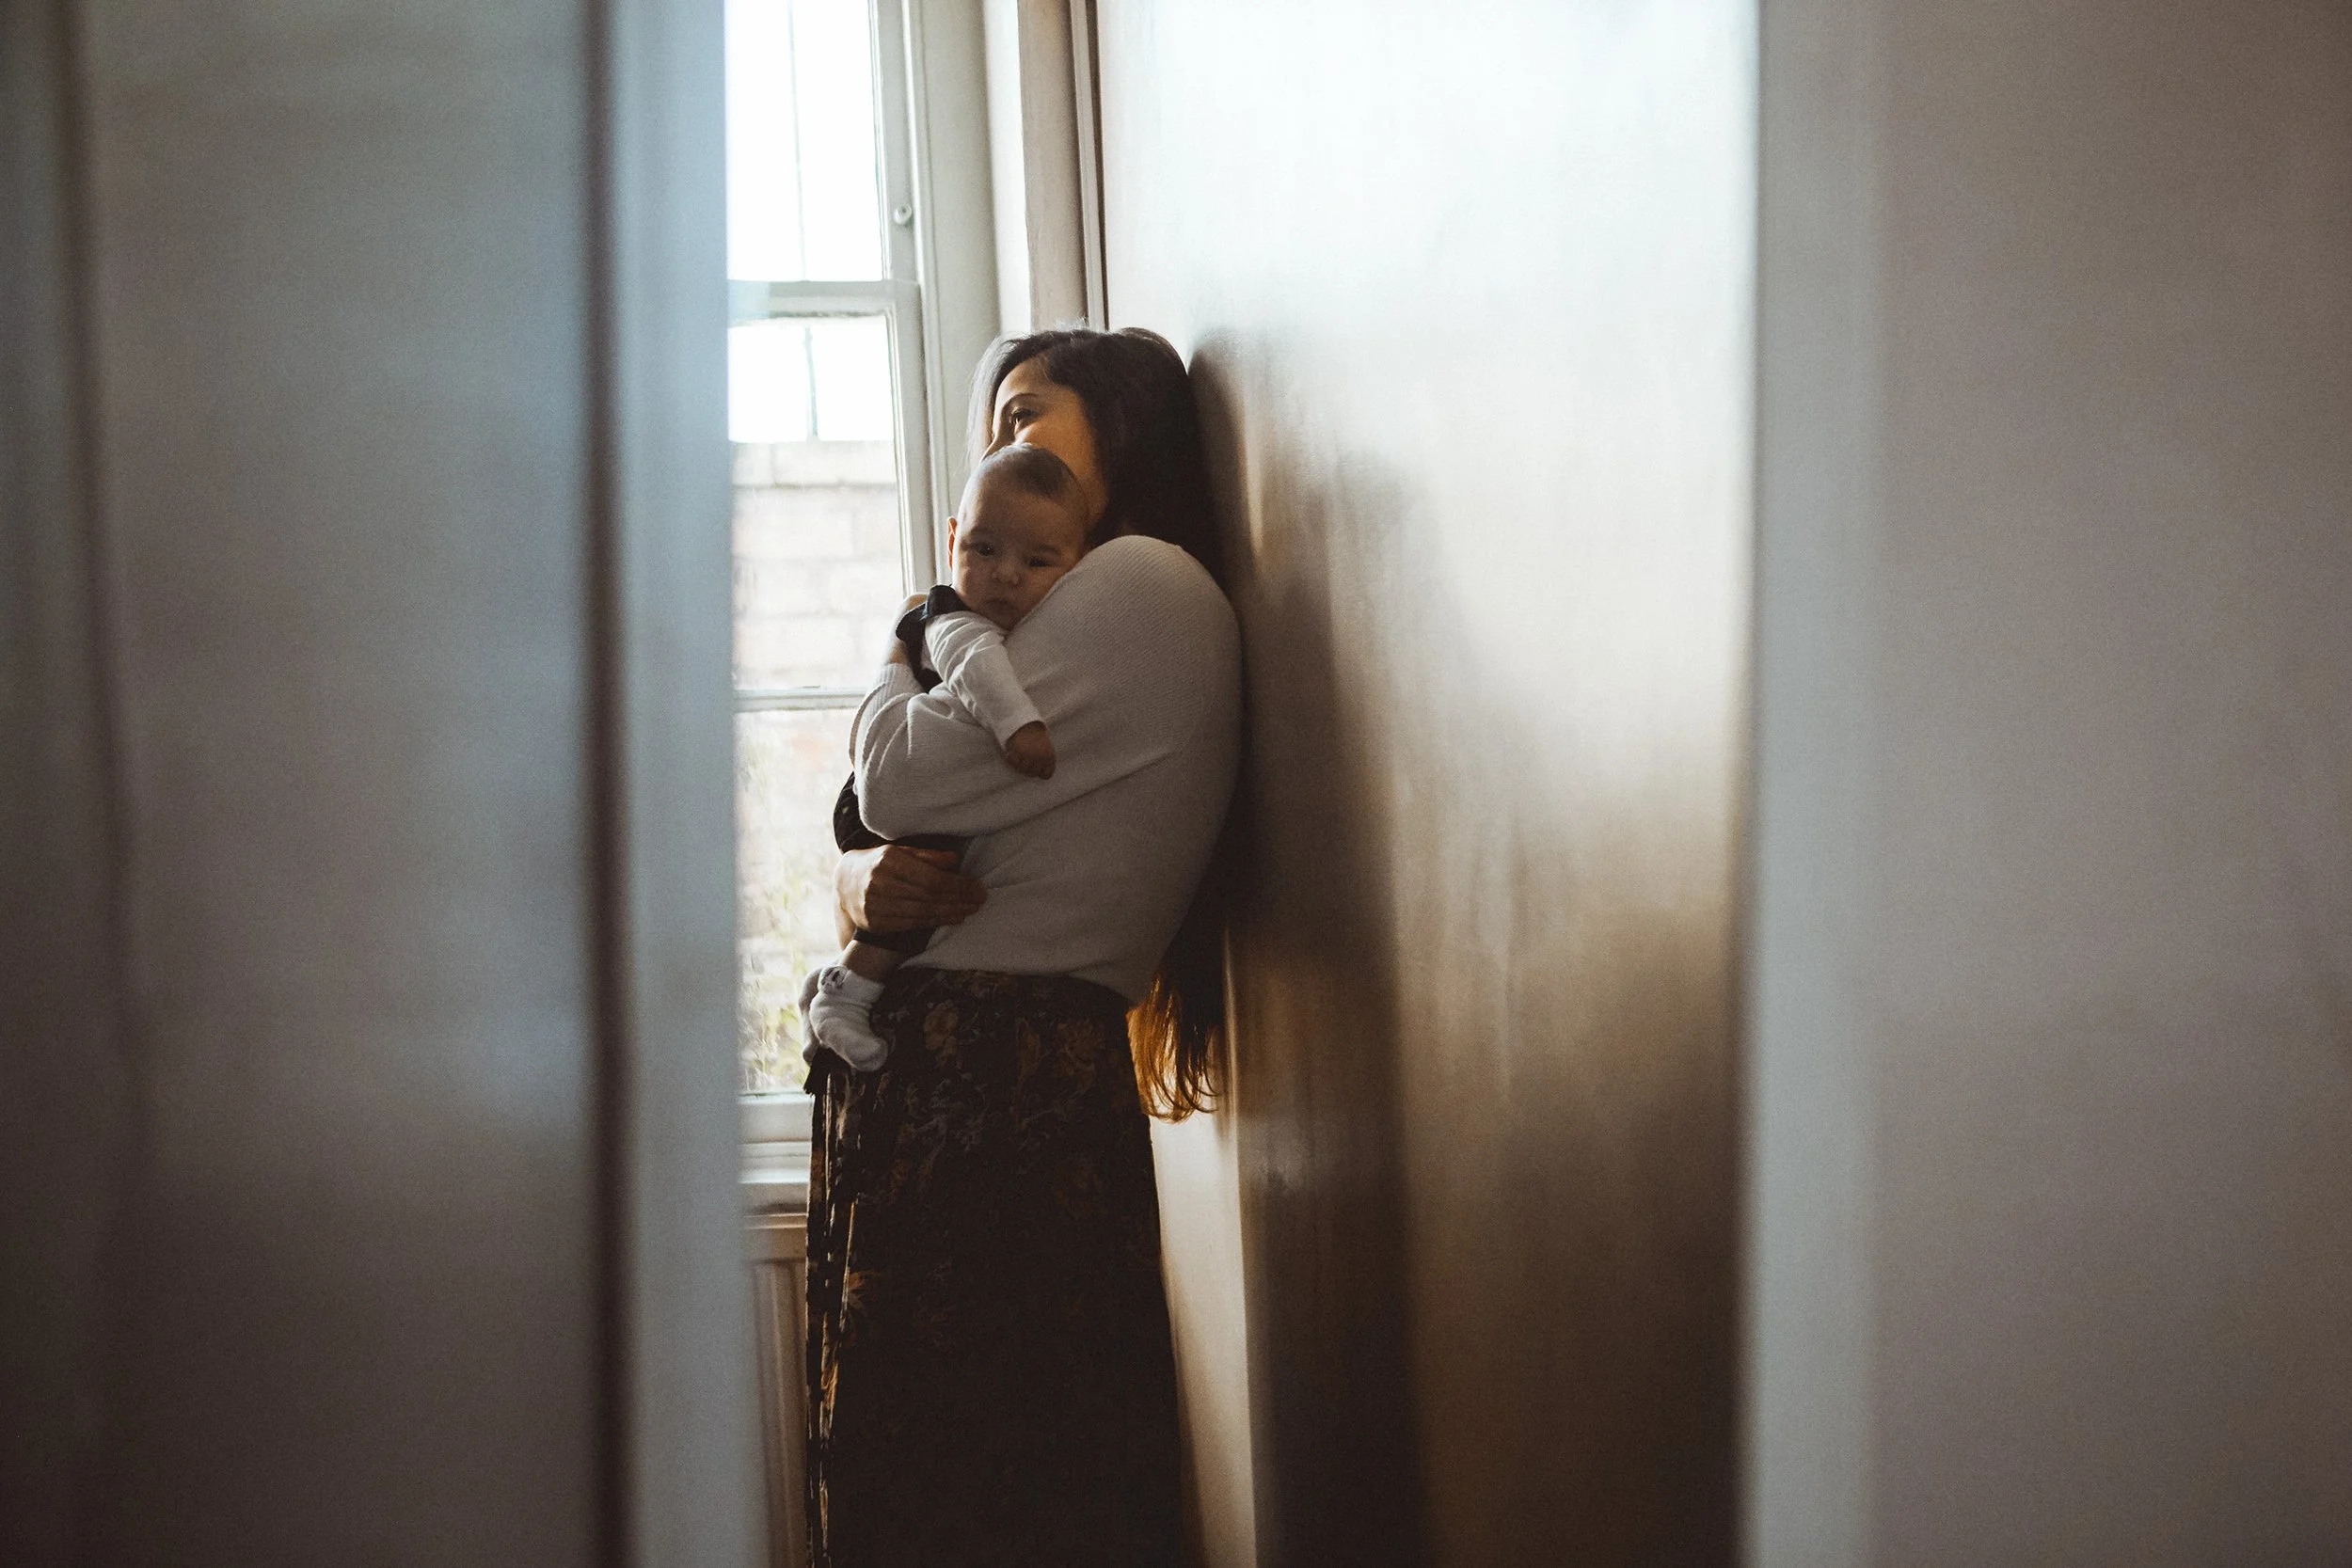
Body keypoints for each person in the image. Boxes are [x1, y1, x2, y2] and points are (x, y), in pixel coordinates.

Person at [805, 326, 1239, 1568]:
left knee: (979, 1477)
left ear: (1124, 434)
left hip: (993, 1084)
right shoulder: (1071, 607)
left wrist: (904, 641)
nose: (1002, 448)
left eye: (1027, 416)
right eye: (993, 426)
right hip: (965, 1067)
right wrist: (859, 890)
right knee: (953, 1471)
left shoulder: (1140, 585)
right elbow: (874, 836)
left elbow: (887, 779)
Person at [803, 443, 1094, 1070]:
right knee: (928, 880)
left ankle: (832, 988)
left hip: (896, 792)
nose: (1006, 574)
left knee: (934, 892)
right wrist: (1019, 729)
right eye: (983, 551)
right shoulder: (953, 617)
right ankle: (845, 996)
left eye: (1037, 561)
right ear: (953, 539)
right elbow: (974, 668)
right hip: (875, 806)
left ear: (1078, 567)